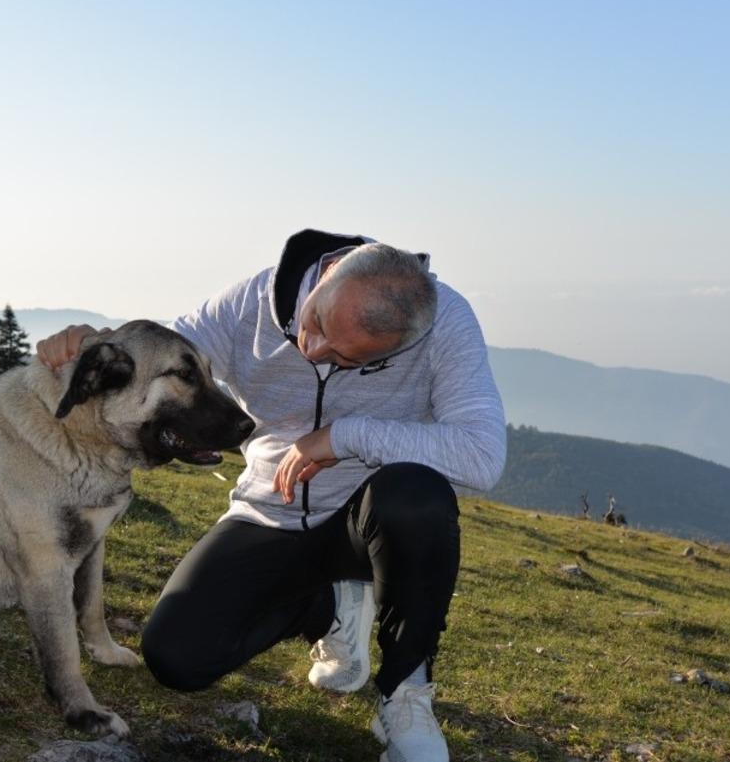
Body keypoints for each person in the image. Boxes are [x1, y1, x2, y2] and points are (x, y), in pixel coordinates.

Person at [37, 229, 506, 761]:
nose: (315, 350)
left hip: (371, 523)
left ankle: (405, 695)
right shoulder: (251, 303)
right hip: (269, 515)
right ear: (327, 275)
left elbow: (482, 455)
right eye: (317, 323)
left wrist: (345, 436)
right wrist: (93, 344)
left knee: (418, 496)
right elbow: (161, 355)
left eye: (348, 358)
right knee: (177, 658)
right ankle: (331, 606)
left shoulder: (445, 321)